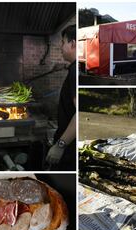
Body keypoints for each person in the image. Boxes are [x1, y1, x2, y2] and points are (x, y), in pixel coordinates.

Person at [46, 25, 76, 171]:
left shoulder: (75, 72)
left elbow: (80, 114)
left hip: (69, 148)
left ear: (73, 43)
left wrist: (60, 145)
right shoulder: (75, 69)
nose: (61, 47)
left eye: (63, 42)